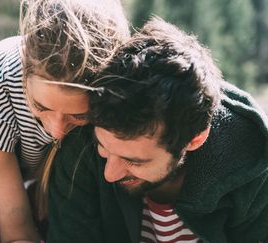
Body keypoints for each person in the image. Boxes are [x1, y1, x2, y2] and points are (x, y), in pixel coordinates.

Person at [48, 17, 268, 243]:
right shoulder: (81, 143)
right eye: (103, 148)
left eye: (134, 161)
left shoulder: (252, 165)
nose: (110, 174)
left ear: (195, 139)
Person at [0, 0, 130, 241]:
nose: (57, 131)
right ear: (24, 72)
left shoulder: (119, 92)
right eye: (41, 107)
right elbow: (16, 229)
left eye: (79, 115)